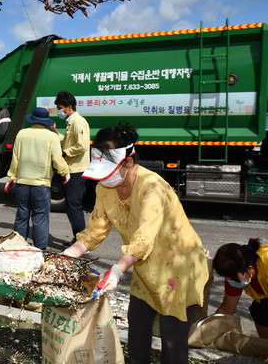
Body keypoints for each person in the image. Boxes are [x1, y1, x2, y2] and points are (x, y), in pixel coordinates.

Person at [63, 121, 208, 364]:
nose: (105, 180)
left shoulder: (151, 186)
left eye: (109, 172)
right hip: (145, 269)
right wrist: (69, 254)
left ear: (128, 161)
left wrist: (118, 269)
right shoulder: (104, 189)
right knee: (137, 337)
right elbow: (95, 232)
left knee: (173, 345)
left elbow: (144, 237)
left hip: (179, 269)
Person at [4, 107, 69, 250]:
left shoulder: (22, 133)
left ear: (32, 119)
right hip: (41, 185)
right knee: (40, 219)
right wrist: (65, 172)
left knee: (22, 216)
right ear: (46, 122)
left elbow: (16, 158)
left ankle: (18, 248)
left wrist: (11, 177)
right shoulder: (52, 137)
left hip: (22, 183)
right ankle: (39, 250)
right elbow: (57, 158)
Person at [53, 91, 90, 246]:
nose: (59, 111)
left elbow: (82, 145)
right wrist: (55, 132)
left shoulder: (78, 122)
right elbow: (68, 142)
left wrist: (64, 153)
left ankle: (81, 242)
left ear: (69, 107)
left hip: (77, 169)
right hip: (72, 168)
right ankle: (78, 239)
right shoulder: (71, 123)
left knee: (73, 205)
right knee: (71, 204)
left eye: (60, 108)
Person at [213, 238, 268, 339]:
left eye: (232, 278)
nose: (230, 281)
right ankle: (265, 349)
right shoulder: (234, 276)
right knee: (259, 310)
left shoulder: (266, 262)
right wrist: (208, 329)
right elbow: (226, 310)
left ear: (250, 269)